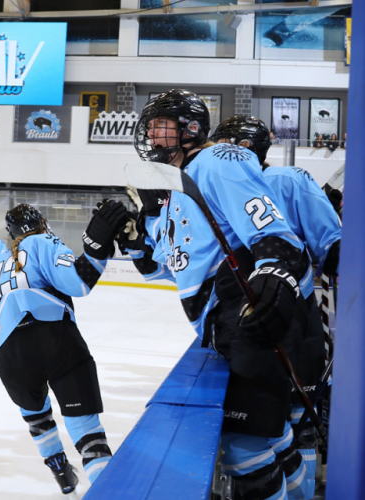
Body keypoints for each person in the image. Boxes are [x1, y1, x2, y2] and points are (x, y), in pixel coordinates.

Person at [120, 89, 313, 500]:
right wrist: (137, 241)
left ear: (190, 129)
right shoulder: (173, 189)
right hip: (223, 323)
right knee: (269, 440)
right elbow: (172, 273)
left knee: (246, 451)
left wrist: (275, 277)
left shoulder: (216, 160)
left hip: (245, 314)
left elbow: (274, 234)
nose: (151, 136)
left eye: (160, 127)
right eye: (149, 128)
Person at [0, 202, 127, 494]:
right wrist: (97, 244)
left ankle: (62, 475)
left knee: (37, 416)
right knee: (86, 432)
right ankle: (107, 490)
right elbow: (78, 282)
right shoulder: (42, 242)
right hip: (58, 340)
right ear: (40, 224)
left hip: (13, 356)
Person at [209, 115, 342, 499]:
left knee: (277, 438)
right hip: (283, 327)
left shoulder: (285, 180)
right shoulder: (281, 181)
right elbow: (331, 251)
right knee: (289, 436)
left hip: (280, 328)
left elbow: (334, 251)